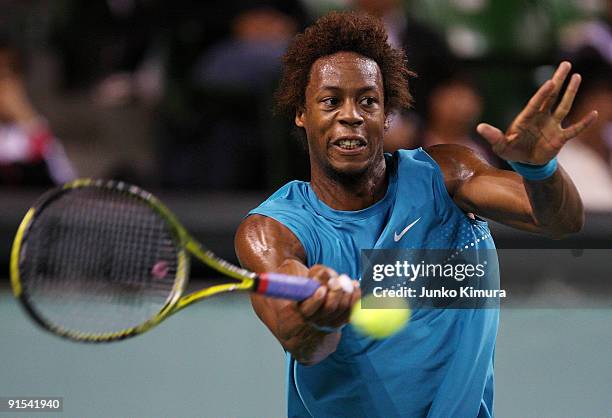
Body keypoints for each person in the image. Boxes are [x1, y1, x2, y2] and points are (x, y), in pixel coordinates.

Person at [234, 12, 596, 418]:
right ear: (302, 113)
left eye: (368, 100)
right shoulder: (272, 229)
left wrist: (539, 170)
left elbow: (561, 221)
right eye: (331, 101)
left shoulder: (449, 178)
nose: (351, 114)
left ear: (387, 113)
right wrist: (320, 317)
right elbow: (299, 339)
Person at [0, 40, 76, 186]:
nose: (4, 87)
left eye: (7, 75)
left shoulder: (35, 129)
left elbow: (65, 185)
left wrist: (28, 119)